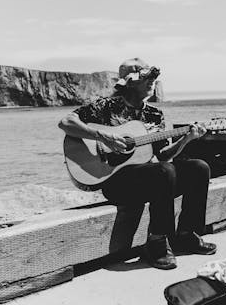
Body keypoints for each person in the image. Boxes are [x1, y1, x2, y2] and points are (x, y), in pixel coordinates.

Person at [58, 57, 216, 269]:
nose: (152, 81)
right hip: (116, 183)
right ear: (129, 82)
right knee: (164, 172)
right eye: (146, 78)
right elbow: (66, 122)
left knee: (198, 167)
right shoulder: (106, 106)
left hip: (150, 179)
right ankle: (157, 241)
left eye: (153, 78)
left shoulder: (154, 114)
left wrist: (186, 138)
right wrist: (102, 136)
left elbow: (162, 156)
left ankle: (186, 234)